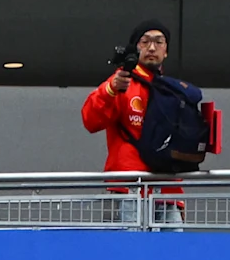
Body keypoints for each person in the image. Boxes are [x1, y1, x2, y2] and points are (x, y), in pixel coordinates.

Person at [83, 20, 217, 183]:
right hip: (131, 188)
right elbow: (91, 121)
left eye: (159, 42)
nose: (152, 48)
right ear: (135, 48)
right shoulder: (121, 82)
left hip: (168, 189)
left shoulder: (174, 90)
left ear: (166, 50)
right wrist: (110, 89)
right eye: (145, 42)